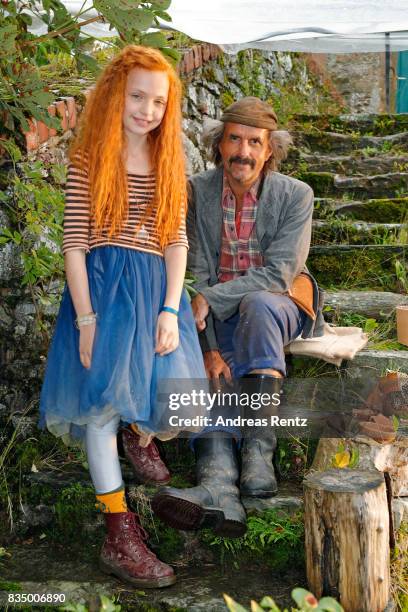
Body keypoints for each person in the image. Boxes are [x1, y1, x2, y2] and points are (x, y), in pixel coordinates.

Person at [39, 45, 206, 587]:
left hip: (155, 290)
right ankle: (119, 529)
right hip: (105, 297)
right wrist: (85, 321)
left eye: (158, 100)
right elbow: (74, 244)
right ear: (116, 94)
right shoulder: (89, 157)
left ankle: (140, 432)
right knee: (100, 408)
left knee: (166, 398)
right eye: (138, 96)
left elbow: (176, 241)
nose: (148, 109)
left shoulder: (169, 159)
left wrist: (169, 308)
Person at [152, 97, 324, 538]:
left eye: (254, 142)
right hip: (218, 311)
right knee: (200, 360)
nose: (243, 151)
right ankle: (218, 487)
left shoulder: (296, 195)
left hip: (278, 304)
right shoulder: (198, 192)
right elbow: (197, 275)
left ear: (269, 151)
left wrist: (211, 297)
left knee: (259, 305)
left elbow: (280, 272)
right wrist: (209, 350)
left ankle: (258, 453)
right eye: (234, 139)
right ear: (218, 144)